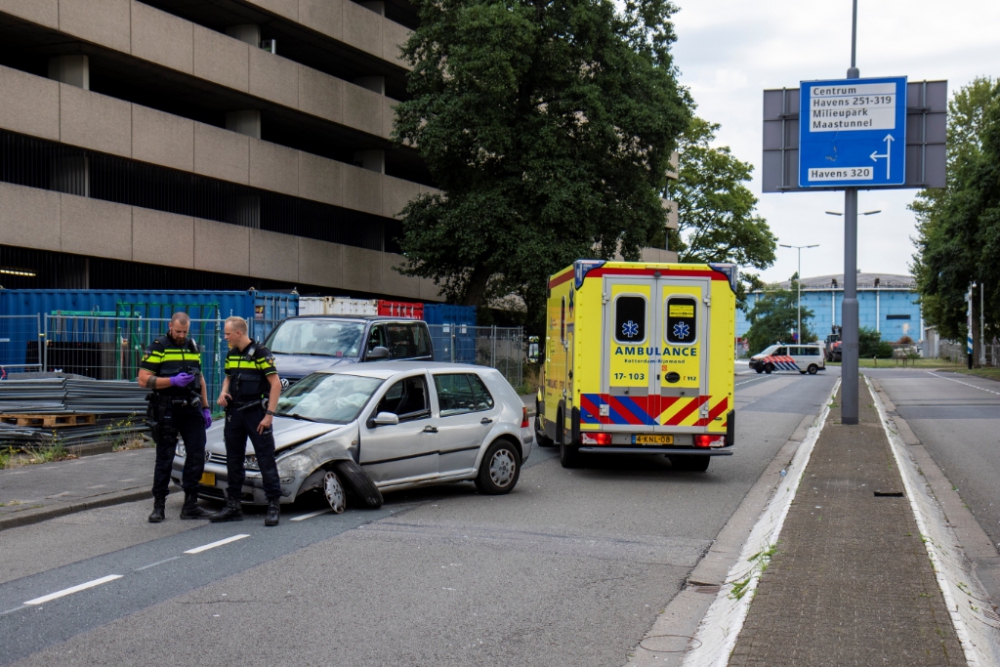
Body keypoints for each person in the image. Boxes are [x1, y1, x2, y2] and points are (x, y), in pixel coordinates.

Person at [138, 312, 213, 523]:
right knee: (165, 458)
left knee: (197, 455)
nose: (181, 335)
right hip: (167, 409)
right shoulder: (158, 347)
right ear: (170, 326)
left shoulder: (192, 346)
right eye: (178, 331)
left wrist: (206, 407)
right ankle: (158, 506)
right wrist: (172, 381)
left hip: (192, 408)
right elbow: (143, 380)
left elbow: (200, 378)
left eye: (185, 332)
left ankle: (190, 504)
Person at [210, 316, 283, 526]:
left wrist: (269, 415)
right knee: (233, 459)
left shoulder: (261, 353)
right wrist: (223, 393)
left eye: (227, 334)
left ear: (239, 333)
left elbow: (275, 385)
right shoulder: (232, 354)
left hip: (255, 413)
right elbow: (228, 377)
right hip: (235, 412)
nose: (225, 337)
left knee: (265, 458)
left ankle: (273, 505)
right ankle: (233, 505)